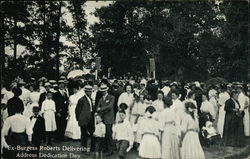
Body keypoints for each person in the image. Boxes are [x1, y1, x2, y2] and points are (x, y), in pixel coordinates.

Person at [75, 84, 95, 155]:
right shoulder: (81, 100)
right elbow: (77, 110)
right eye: (88, 91)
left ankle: (92, 148)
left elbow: (91, 109)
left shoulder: (91, 99)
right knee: (84, 135)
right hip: (83, 120)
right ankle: (84, 149)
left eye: (90, 91)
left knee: (92, 133)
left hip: (90, 119)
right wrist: (78, 119)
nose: (89, 92)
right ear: (85, 91)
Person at [96, 84, 115, 156]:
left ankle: (110, 150)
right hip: (102, 119)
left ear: (107, 90)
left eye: (104, 91)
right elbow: (97, 108)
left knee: (109, 134)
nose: (103, 92)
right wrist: (101, 110)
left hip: (109, 118)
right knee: (103, 134)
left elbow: (110, 106)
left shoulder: (111, 97)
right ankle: (105, 148)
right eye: (102, 91)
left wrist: (101, 109)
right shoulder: (100, 99)